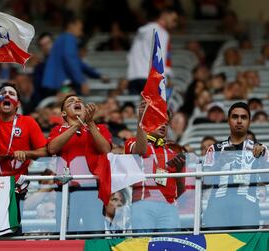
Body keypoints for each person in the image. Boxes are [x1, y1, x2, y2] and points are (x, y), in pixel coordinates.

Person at [47, 94, 112, 231]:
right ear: (63, 113)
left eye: (79, 101)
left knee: (94, 232)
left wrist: (91, 123)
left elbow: (105, 149)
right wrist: (77, 124)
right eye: (71, 101)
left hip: (92, 189)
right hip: (66, 189)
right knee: (66, 232)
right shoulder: (58, 130)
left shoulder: (99, 128)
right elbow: (52, 148)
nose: (77, 101)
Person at [202, 102, 268, 229]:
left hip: (247, 207)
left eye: (243, 117)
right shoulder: (214, 149)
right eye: (235, 117)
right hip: (218, 206)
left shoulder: (260, 149)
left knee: (246, 248)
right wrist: (219, 163)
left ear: (249, 121)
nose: (239, 121)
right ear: (228, 120)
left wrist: (263, 160)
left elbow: (267, 179)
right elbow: (206, 181)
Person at [124, 100, 185, 232]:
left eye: (166, 123)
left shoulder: (173, 152)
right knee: (143, 244)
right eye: (158, 121)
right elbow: (140, 150)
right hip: (142, 203)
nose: (163, 125)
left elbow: (180, 191)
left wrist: (179, 171)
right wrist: (141, 120)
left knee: (170, 245)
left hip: (169, 206)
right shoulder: (132, 142)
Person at [42, 16, 103, 96]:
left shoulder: (62, 39)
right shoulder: (69, 38)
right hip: (61, 86)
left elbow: (77, 62)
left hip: (55, 84)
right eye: (80, 28)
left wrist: (98, 75)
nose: (81, 32)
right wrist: (82, 82)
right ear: (71, 26)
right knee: (72, 103)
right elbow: (71, 61)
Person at [127, 9, 178, 94]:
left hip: (133, 75)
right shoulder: (162, 33)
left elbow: (130, 55)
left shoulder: (143, 30)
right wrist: (167, 77)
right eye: (174, 20)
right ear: (164, 15)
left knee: (137, 106)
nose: (175, 24)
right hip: (150, 78)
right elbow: (160, 59)